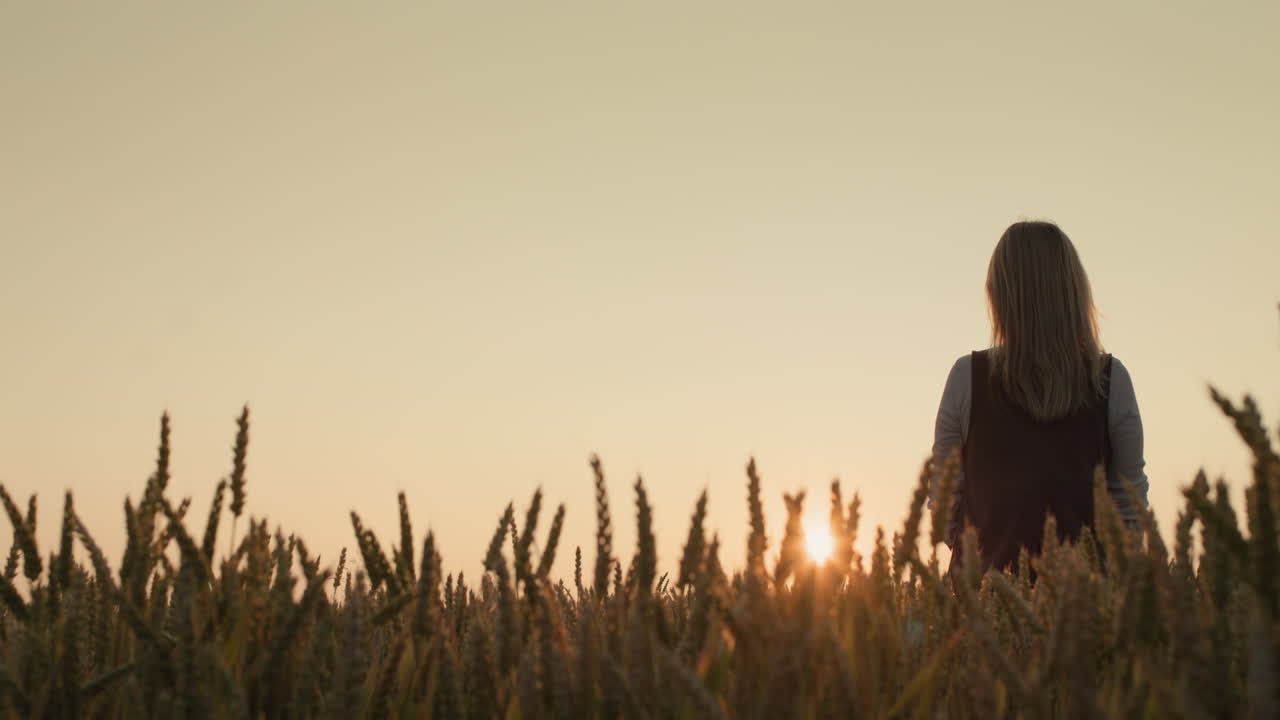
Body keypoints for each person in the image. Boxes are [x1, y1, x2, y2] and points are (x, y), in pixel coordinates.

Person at [929, 220, 1148, 574]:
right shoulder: (1111, 381)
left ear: (1000, 295)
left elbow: (944, 508)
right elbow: (1130, 511)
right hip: (1091, 616)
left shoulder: (966, 379)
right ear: (1073, 292)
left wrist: (983, 564)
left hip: (984, 611)